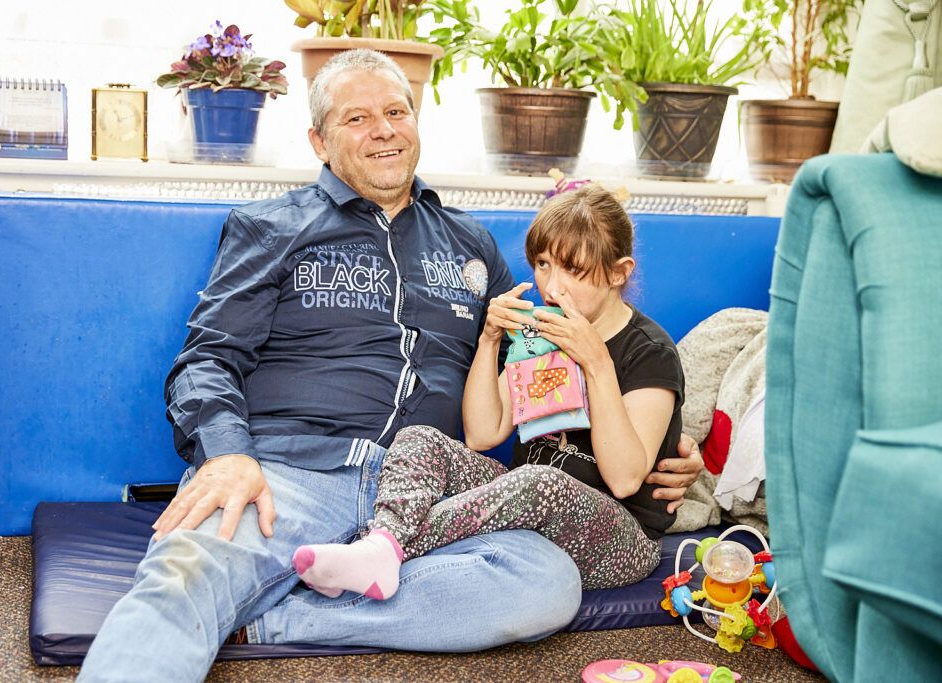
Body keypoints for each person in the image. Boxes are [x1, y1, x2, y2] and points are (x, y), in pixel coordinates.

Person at [77, 49, 702, 681]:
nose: (383, 129)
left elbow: (545, 371)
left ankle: (275, 617)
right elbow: (207, 359)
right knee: (183, 575)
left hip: (432, 493)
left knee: (544, 583)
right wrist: (225, 454)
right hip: (290, 473)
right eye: (357, 118)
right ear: (320, 142)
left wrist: (670, 447)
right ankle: (267, 587)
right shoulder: (271, 226)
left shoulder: (472, 244)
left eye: (396, 111)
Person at [293, 185, 683, 600]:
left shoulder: (650, 352)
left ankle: (377, 550)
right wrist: (490, 339)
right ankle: (379, 548)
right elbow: (482, 434)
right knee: (420, 438)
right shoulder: (541, 333)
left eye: (574, 270)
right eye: (544, 265)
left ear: (618, 272)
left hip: (620, 539)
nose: (553, 288)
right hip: (526, 502)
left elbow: (624, 480)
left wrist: (597, 363)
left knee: (539, 481)